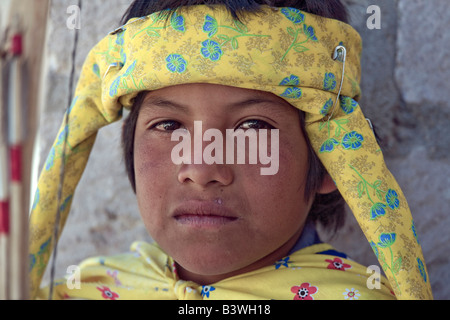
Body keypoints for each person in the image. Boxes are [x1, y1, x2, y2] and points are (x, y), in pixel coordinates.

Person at [29, 0, 433, 300]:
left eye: (253, 127)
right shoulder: (82, 290)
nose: (202, 168)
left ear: (331, 163)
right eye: (169, 126)